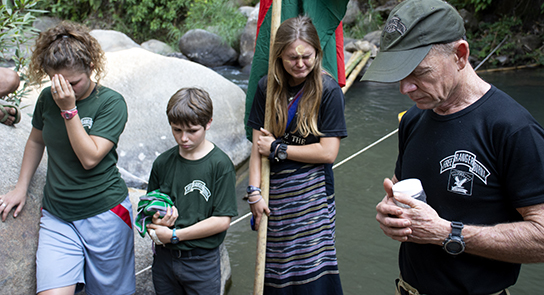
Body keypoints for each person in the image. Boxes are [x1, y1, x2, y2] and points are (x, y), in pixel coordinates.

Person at [362, 0, 544, 295]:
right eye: (400, 75)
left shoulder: (512, 129)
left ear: (460, 55)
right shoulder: (413, 119)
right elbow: (401, 188)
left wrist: (447, 233)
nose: (405, 88)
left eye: (419, 73)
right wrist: (390, 211)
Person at [0, 21, 135, 295]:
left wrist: (69, 110)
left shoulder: (111, 102)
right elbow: (36, 140)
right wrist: (21, 187)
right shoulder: (48, 98)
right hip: (57, 216)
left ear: (91, 68)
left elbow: (90, 158)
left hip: (105, 214)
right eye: (57, 82)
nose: (66, 90)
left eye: (73, 82)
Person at [247, 15, 347, 294]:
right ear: (279, 56)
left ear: (317, 52)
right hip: (274, 194)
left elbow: (328, 152)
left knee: (310, 269)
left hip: (311, 197)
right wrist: (254, 192)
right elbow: (257, 146)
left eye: (307, 56)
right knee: (275, 270)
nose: (300, 64)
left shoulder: (328, 91)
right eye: (292, 58)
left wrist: (279, 148)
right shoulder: (266, 89)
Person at [146, 87, 238, 295]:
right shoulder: (162, 162)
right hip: (164, 260)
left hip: (201, 262)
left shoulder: (220, 165)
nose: (183, 138)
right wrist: (157, 222)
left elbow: (222, 220)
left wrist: (175, 235)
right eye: (176, 130)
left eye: (192, 131)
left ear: (208, 123)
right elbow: (149, 209)